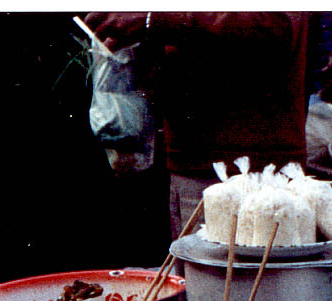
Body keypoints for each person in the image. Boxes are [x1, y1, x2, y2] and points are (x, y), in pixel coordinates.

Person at [84, 12, 310, 237]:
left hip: (251, 173)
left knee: (236, 270)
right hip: (193, 163)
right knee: (195, 269)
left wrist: (153, 19)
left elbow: (275, 26)